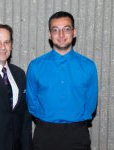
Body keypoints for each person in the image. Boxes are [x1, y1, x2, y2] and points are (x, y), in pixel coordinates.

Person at [26, 11, 98, 150]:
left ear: (74, 32)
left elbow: (91, 103)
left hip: (78, 135)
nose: (61, 35)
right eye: (55, 30)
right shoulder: (35, 66)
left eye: (66, 29)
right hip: (44, 135)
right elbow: (31, 102)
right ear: (49, 35)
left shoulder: (88, 66)